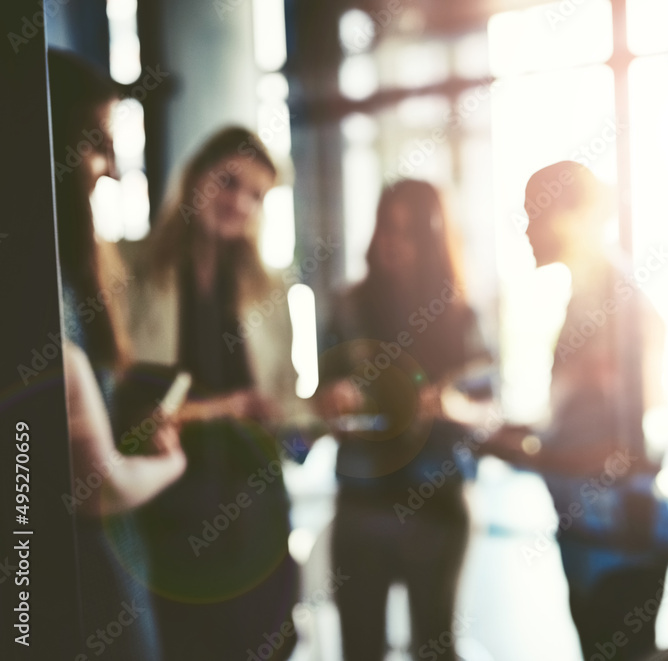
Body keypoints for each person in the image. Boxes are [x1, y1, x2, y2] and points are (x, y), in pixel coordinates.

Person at [127, 126, 311, 661]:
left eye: (256, 195)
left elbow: (284, 401)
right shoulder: (135, 272)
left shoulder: (270, 291)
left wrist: (315, 412)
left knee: (261, 641)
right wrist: (224, 408)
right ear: (194, 178)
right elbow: (128, 406)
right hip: (170, 501)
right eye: (228, 182)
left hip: (254, 501)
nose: (239, 203)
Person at [479, 161, 668, 661]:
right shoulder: (595, 295)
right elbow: (586, 421)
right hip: (602, 538)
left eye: (533, 215)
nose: (525, 230)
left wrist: (515, 450)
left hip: (617, 541)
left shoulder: (613, 304)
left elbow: (624, 445)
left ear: (569, 216)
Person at [313, 179, 490, 661]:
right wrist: (331, 400)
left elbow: (487, 408)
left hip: (437, 507)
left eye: (408, 233)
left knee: (435, 648)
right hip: (361, 505)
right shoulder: (348, 307)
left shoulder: (461, 316)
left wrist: (447, 405)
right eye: (386, 228)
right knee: (360, 648)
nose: (392, 242)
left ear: (431, 240)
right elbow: (317, 401)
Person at [48, 49, 187, 661]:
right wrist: (170, 465)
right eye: (94, 144)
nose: (108, 169)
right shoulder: (40, 295)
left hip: (118, 553)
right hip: (72, 568)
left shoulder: (80, 273)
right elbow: (93, 484)